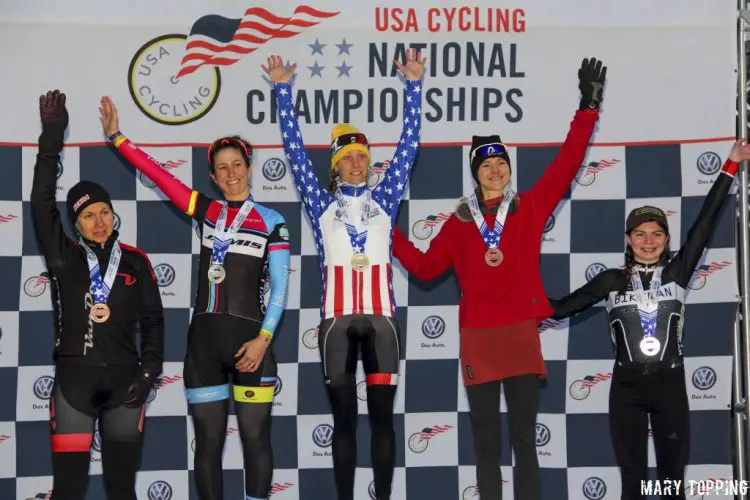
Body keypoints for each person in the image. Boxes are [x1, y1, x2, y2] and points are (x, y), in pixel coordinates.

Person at [391, 58, 607, 500]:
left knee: (524, 442)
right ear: (475, 172)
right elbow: (425, 267)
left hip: (520, 335)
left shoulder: (528, 208)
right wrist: (384, 229)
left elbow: (567, 163)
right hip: (478, 338)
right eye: (485, 164)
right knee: (487, 443)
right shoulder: (459, 221)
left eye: (500, 162)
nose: (494, 169)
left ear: (509, 169)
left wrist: (588, 107)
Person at [99, 97, 291, 500]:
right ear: (214, 177)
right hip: (202, 349)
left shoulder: (273, 222)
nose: (231, 173)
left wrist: (263, 340)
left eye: (237, 164)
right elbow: (159, 175)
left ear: (249, 167)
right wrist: (118, 138)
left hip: (253, 345)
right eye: (222, 167)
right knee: (207, 446)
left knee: (256, 440)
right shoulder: (203, 210)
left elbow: (280, 287)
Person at [547, 140, 749, 499]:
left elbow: (705, 223)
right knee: (633, 483)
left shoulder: (677, 273)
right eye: (640, 234)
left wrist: (730, 165)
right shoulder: (610, 280)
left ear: (666, 239)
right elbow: (560, 307)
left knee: (672, 481)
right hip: (626, 389)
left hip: (670, 385)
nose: (648, 241)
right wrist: (503, 301)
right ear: (628, 239)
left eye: (656, 234)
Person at [263, 51, 425, 500]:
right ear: (334, 165)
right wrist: (282, 90)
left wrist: (413, 89)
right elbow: (295, 154)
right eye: (348, 157)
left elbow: (408, 147)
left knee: (382, 420)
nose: (356, 163)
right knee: (343, 422)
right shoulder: (321, 203)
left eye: (362, 157)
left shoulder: (387, 197)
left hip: (382, 320)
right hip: (335, 321)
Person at [31, 90, 164, 500]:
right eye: (89, 215)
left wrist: (148, 373)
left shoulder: (136, 261)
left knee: (121, 489)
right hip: (75, 382)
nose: (99, 220)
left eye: (104, 211)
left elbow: (154, 323)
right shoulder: (64, 257)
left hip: (127, 383)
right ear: (76, 224)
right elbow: (40, 204)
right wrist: (52, 135)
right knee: (69, 489)